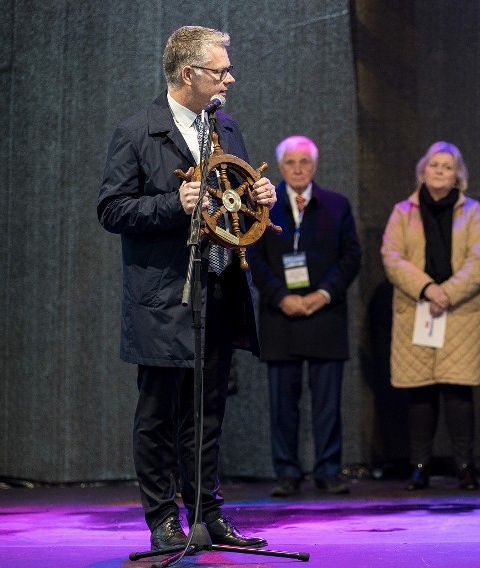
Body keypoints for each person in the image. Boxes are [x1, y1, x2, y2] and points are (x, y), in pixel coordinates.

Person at [97, 25, 277, 551]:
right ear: (187, 74)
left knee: (209, 409)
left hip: (219, 287)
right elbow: (111, 209)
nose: (229, 78)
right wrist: (172, 205)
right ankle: (162, 520)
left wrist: (258, 195)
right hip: (166, 296)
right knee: (158, 413)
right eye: (220, 70)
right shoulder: (138, 132)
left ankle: (207, 513)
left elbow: (235, 200)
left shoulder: (226, 127)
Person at [247, 135, 362, 497]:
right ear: (280, 168)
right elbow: (252, 258)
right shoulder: (262, 205)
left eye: (305, 162)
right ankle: (287, 472)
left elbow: (351, 257)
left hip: (324, 315)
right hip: (280, 316)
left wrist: (321, 294)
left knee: (327, 403)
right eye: (291, 163)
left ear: (315, 166)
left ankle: (328, 470)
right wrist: (281, 297)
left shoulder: (337, 205)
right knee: (283, 403)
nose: (298, 169)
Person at [381, 141, 480, 491]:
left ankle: (465, 466)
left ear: (458, 174)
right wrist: (429, 289)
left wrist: (448, 293)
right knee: (420, 394)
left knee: (459, 393)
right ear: (422, 170)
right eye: (434, 165)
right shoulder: (402, 212)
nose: (440, 171)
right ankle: (420, 467)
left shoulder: (473, 211)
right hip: (418, 310)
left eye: (447, 166)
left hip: (459, 313)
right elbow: (392, 256)